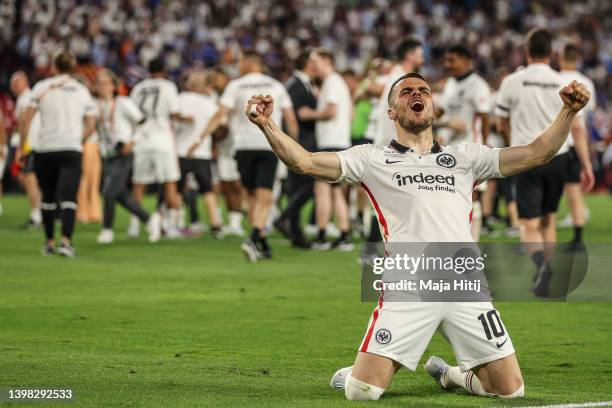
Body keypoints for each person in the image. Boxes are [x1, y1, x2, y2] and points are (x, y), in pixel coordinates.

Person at [244, 72, 590, 400]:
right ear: (392, 110)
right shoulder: (371, 158)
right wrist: (266, 124)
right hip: (408, 285)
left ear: (433, 107)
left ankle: (454, 375)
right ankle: (357, 371)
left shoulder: (466, 156)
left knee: (511, 390)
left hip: (464, 284)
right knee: (362, 392)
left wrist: (568, 111)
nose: (417, 95)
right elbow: (304, 162)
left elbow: (537, 153)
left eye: (424, 91)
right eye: (407, 92)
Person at [495, 29, 594, 297]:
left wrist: (510, 141)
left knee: (528, 222)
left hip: (527, 157)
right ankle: (547, 267)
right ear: (552, 54)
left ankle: (541, 266)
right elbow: (578, 129)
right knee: (549, 218)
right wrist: (585, 165)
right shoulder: (566, 83)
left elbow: (500, 122)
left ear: (526, 51)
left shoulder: (512, 81)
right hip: (560, 157)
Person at [197, 50, 298, 261]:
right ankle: (253, 237)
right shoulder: (276, 85)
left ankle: (261, 242)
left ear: (250, 63)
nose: (238, 65)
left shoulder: (236, 85)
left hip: (242, 147)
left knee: (251, 195)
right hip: (269, 144)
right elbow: (290, 117)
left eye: (241, 61)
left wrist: (201, 137)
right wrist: (294, 146)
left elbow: (221, 114)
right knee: (266, 196)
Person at [20, 50, 97, 257]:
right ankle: (66, 241)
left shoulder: (41, 88)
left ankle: (49, 242)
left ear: (54, 66)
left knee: (48, 197)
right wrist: (78, 139)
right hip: (71, 149)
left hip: (45, 148)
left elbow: (26, 120)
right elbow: (91, 124)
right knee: (69, 198)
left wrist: (23, 147)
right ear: (74, 68)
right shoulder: (81, 90)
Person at [93, 69, 161, 244]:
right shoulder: (95, 105)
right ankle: (149, 219)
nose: (101, 86)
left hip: (124, 153)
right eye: (99, 82)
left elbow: (143, 122)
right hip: (107, 154)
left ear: (114, 86)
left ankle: (107, 230)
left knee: (108, 192)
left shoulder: (123, 103)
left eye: (105, 82)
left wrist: (132, 141)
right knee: (120, 195)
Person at [129, 58, 192, 239]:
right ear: (164, 70)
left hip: (142, 140)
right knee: (170, 183)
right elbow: (173, 112)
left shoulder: (139, 88)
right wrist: (188, 118)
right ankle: (172, 226)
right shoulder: (168, 86)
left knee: (139, 184)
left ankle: (134, 224)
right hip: (162, 139)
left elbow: (134, 114)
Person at [298, 48, 353, 250]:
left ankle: (321, 235)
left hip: (331, 143)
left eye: (316, 62)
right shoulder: (336, 82)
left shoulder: (332, 81)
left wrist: (309, 114)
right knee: (337, 192)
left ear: (326, 61)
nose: (312, 66)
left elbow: (331, 111)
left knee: (321, 189)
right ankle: (344, 235)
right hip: (339, 142)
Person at [436, 45, 492, 241]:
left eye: (452, 60)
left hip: (471, 148)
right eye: (446, 60)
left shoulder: (478, 85)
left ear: (466, 60)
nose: (447, 64)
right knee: (450, 194)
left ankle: (472, 242)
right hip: (448, 149)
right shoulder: (451, 83)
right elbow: (442, 109)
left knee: (472, 195)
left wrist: (484, 146)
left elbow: (485, 118)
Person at [273, 50, 318, 248]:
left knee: (297, 188)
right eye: (316, 62)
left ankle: (296, 232)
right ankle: (285, 218)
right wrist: (295, 145)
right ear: (308, 64)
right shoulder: (297, 85)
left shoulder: (299, 84)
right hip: (300, 142)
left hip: (298, 142)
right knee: (312, 185)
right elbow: (292, 115)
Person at [557, 43, 597, 247]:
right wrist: (587, 160)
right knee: (574, 189)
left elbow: (576, 124)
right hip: (575, 146)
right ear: (577, 59)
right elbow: (583, 123)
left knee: (543, 193)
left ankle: (532, 236)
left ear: (561, 58)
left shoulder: (555, 79)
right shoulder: (587, 82)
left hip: (555, 144)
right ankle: (578, 238)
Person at [179, 70, 223, 238]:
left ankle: (177, 224)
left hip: (181, 150)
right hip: (201, 152)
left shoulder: (179, 99)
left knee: (178, 189)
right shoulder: (208, 103)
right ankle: (216, 225)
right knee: (207, 190)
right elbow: (221, 123)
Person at [208, 67, 245, 237]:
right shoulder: (212, 97)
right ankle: (233, 221)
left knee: (238, 184)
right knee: (227, 185)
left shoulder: (236, 92)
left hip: (239, 144)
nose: (215, 80)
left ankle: (241, 221)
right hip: (223, 147)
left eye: (218, 77)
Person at [374, 38, 424, 147]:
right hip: (393, 144)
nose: (422, 60)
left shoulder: (398, 75)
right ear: (410, 56)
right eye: (420, 56)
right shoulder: (402, 79)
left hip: (389, 141)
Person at [9, 72, 42, 229]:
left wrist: (21, 147)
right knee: (26, 177)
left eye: (17, 82)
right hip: (33, 143)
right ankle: (42, 212)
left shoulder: (26, 97)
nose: (14, 86)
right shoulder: (26, 97)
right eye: (13, 83)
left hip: (30, 144)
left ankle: (37, 216)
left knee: (29, 178)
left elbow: (23, 122)